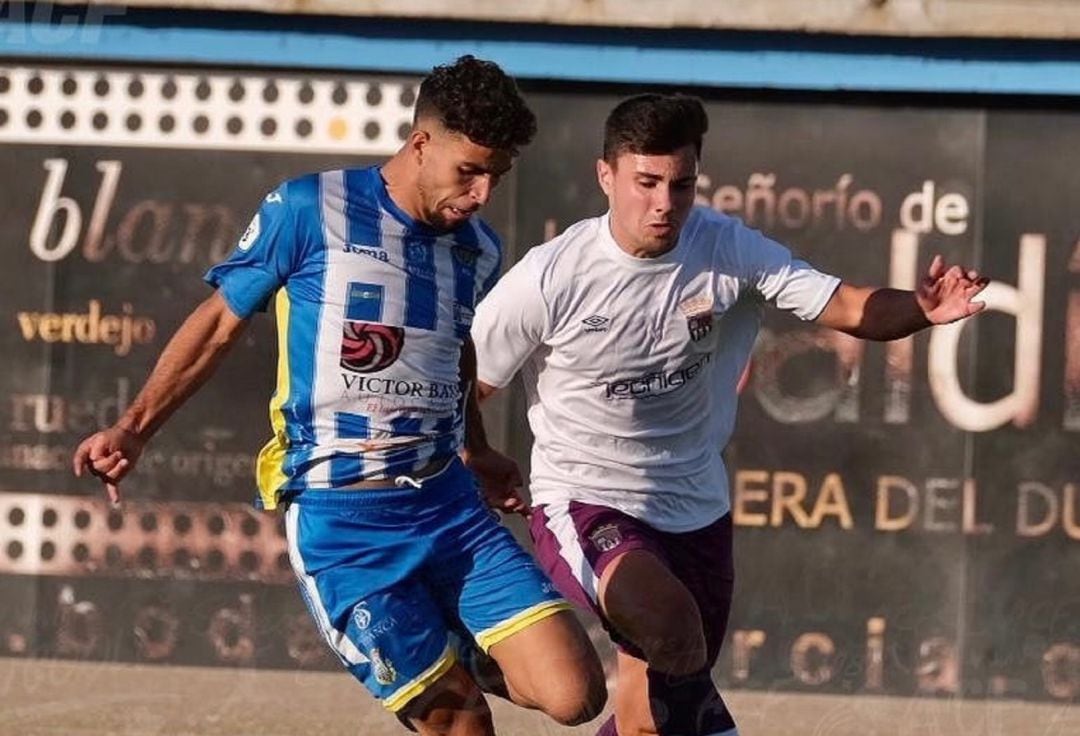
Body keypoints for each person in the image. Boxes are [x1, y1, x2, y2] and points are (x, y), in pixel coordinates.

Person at [72, 56, 606, 735]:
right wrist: (134, 428)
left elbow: (455, 350)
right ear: (420, 144)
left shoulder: (475, 246)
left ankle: (452, 643)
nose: (482, 193)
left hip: (448, 507)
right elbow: (216, 325)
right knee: (464, 725)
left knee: (576, 694)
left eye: (496, 175)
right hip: (342, 520)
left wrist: (478, 447)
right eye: (469, 170)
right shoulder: (309, 208)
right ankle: (443, 660)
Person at [470, 93, 989, 736]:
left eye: (681, 184)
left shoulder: (727, 247)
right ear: (606, 176)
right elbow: (468, 380)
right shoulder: (550, 277)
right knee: (669, 627)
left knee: (653, 715)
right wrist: (477, 456)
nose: (665, 202)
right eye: (647, 182)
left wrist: (919, 306)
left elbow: (850, 308)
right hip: (585, 499)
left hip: (695, 509)